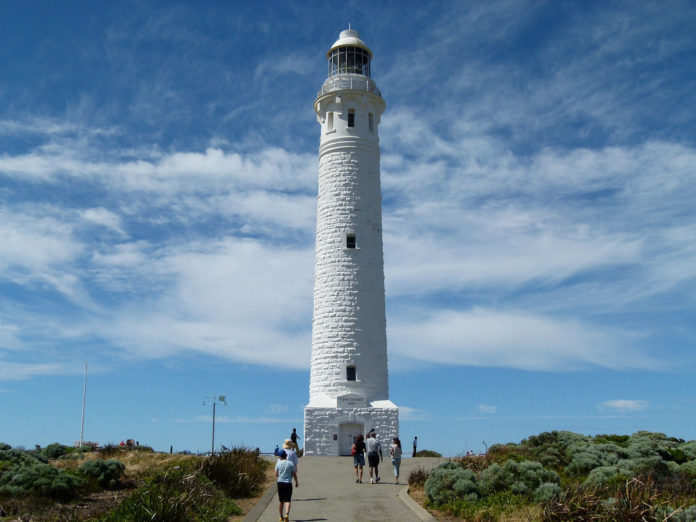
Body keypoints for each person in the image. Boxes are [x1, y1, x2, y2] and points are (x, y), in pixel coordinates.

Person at [275, 449, 298, 522]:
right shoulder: (290, 463)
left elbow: (276, 474)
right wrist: (296, 482)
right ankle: (287, 514)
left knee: (281, 501)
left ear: (280, 456)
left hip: (280, 483)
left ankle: (281, 516)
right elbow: (294, 474)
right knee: (288, 500)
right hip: (288, 483)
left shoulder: (278, 464)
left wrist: (280, 475)